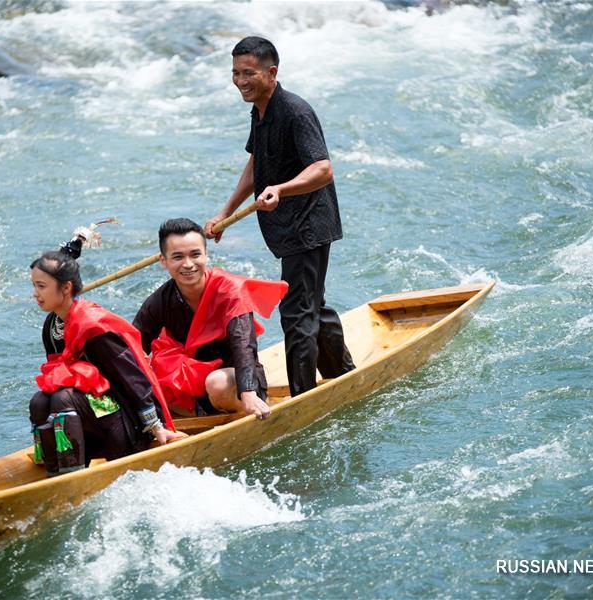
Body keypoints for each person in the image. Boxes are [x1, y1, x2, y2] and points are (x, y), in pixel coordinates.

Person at [205, 36, 356, 398]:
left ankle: (301, 397)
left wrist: (282, 189)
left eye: (249, 73)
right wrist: (224, 212)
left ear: (272, 72)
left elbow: (322, 169)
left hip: (308, 224)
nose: (241, 81)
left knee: (296, 312)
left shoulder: (294, 111)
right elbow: (257, 162)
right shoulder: (260, 109)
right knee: (311, 304)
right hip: (288, 226)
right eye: (235, 73)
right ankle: (342, 372)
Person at [28, 233, 186, 477]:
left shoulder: (92, 325)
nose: (35, 294)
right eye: (34, 286)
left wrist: (156, 427)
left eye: (41, 286)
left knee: (63, 399)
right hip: (94, 418)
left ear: (66, 287)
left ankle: (71, 478)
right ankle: (54, 471)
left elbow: (131, 376)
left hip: (127, 425)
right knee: (39, 401)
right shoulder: (52, 326)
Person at [133, 218, 288, 420]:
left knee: (217, 384)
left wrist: (248, 392)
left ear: (206, 255)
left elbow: (244, 345)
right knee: (146, 380)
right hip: (189, 386)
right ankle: (196, 411)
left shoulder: (230, 290)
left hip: (234, 382)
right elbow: (132, 346)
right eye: (178, 257)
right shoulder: (159, 301)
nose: (188, 264)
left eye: (195, 254)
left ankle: (244, 409)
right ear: (164, 261)